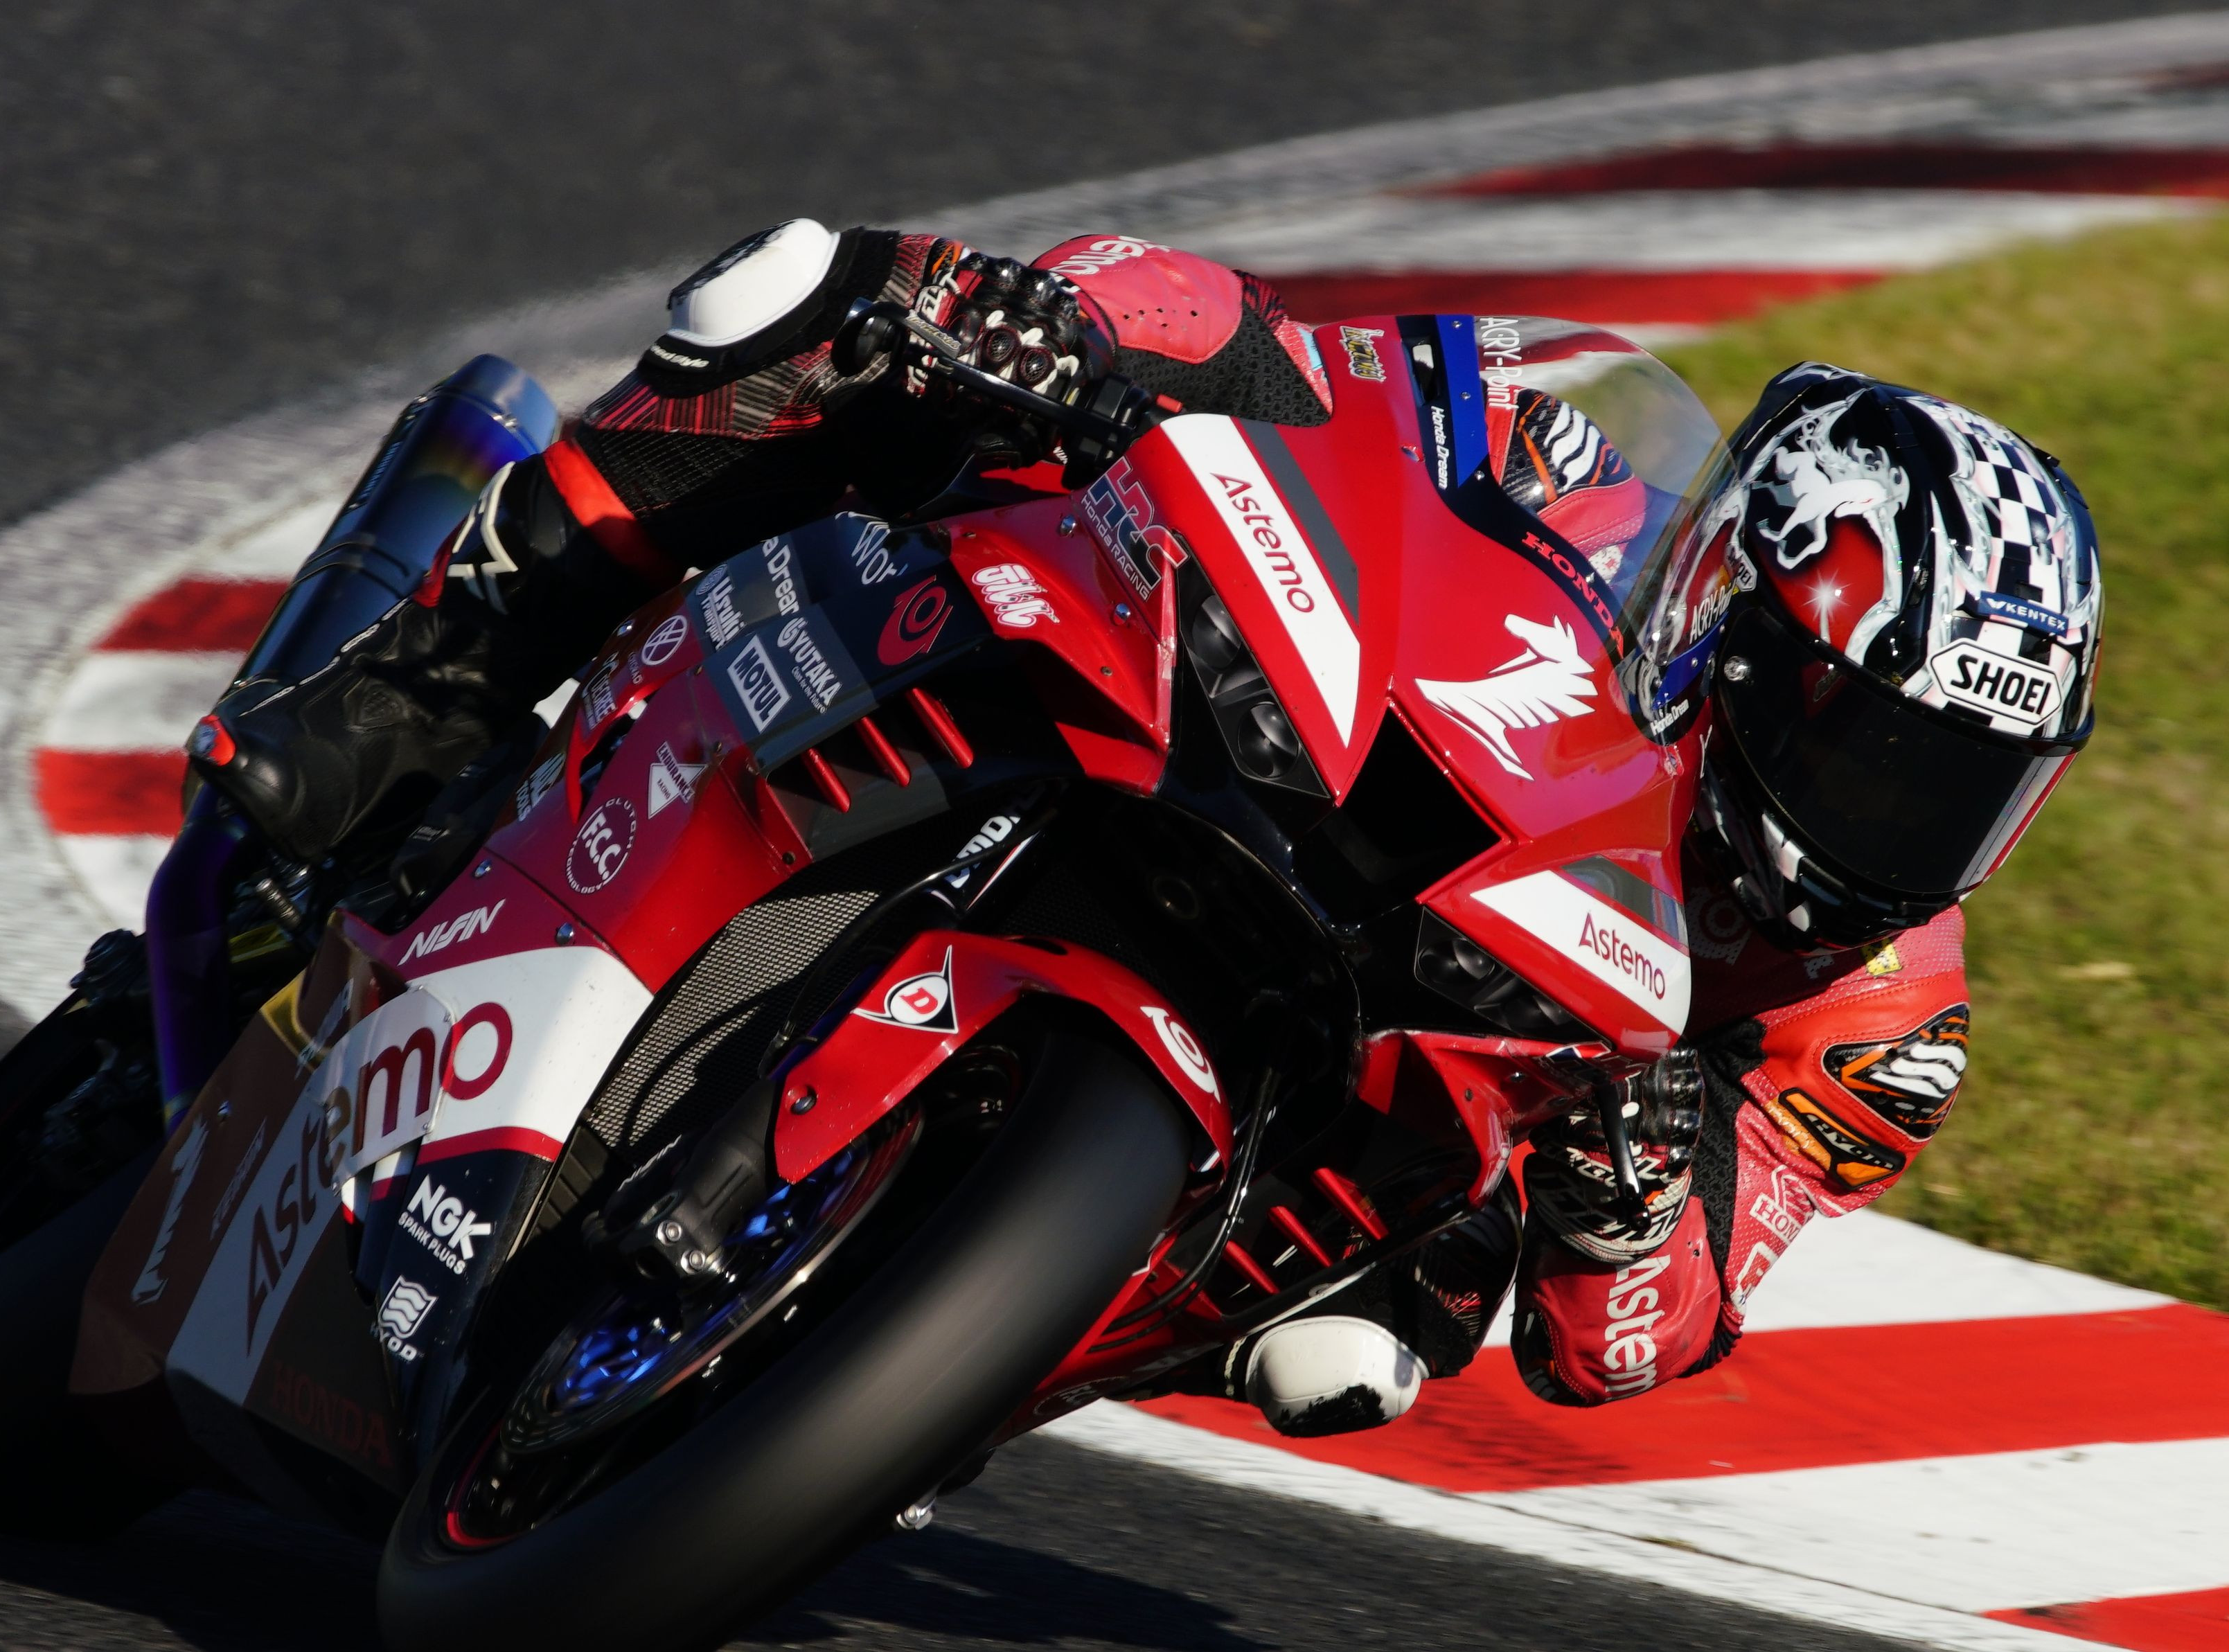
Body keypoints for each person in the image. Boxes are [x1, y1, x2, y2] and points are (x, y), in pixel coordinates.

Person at [186, 221, 2102, 1432]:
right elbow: (1301, 364)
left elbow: (1631, 1343)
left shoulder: (1885, 1025)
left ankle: (885, 1352)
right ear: (1733, 619)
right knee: (833, 303)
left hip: (1348, 1143)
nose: (1891, 828)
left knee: (1361, 1353)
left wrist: (1632, 1202)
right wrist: (1083, 330)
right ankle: (429, 676)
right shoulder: (1582, 488)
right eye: (1871, 748)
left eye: (1962, 791)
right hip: (1259, 781)